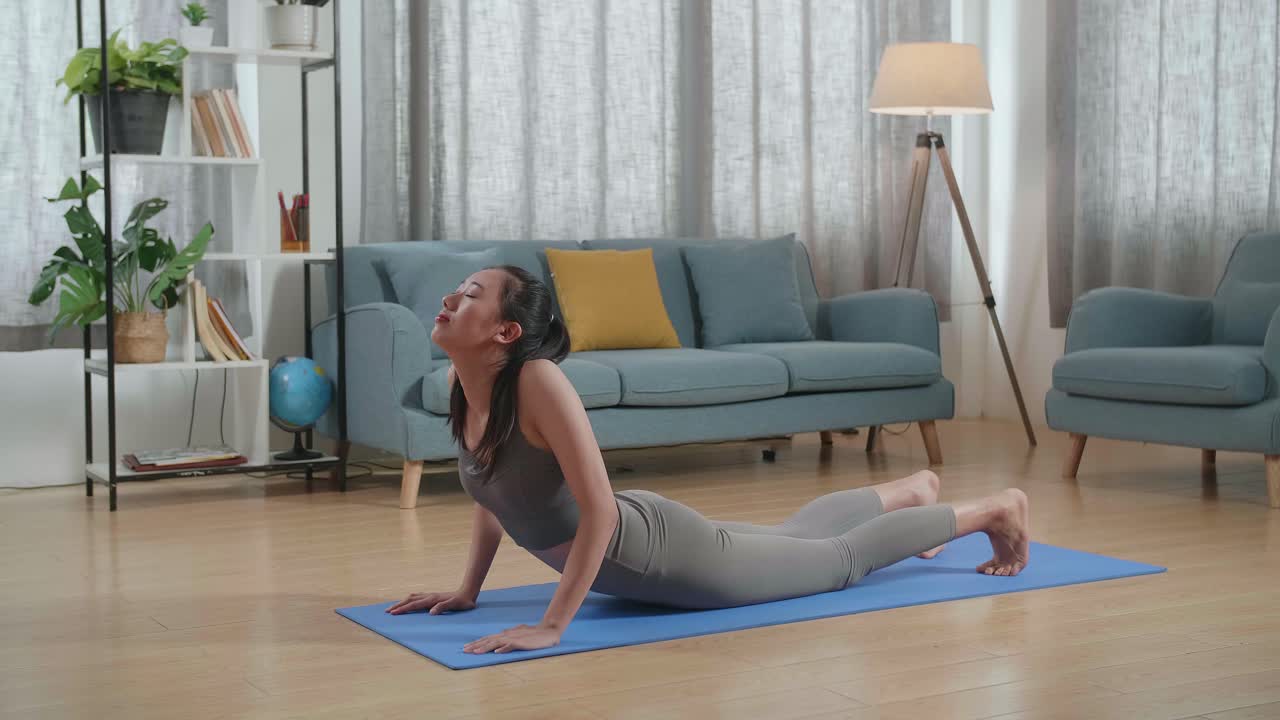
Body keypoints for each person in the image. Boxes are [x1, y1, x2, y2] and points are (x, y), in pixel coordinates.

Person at [386, 265, 1030, 655]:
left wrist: (553, 625)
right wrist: (468, 591)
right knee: (795, 539)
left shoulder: (537, 383)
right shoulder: (461, 390)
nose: (449, 299)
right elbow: (492, 494)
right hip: (645, 544)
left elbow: (601, 509)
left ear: (507, 333)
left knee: (839, 562)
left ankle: (993, 511)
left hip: (673, 559)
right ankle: (908, 491)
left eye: (469, 294)